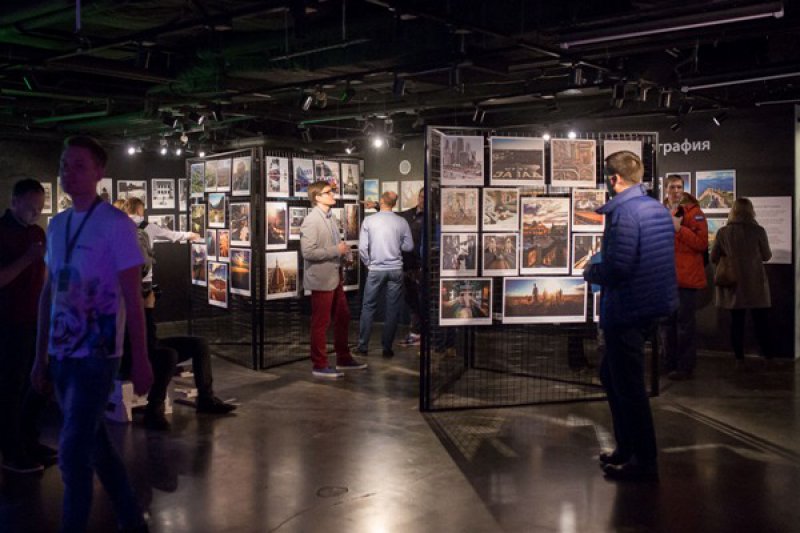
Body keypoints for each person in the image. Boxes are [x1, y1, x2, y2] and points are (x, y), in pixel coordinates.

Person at [31, 136, 153, 532]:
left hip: (98, 355)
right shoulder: (57, 225)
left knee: (72, 452)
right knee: (94, 444)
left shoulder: (116, 225)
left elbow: (133, 297)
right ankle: (132, 518)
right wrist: (40, 355)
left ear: (99, 172)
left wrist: (142, 359)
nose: (69, 172)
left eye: (79, 165)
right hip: (62, 353)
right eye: (65, 165)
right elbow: (49, 293)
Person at [583, 150, 677, 482]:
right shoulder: (656, 209)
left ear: (614, 179)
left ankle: (643, 461)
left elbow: (619, 267)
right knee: (612, 376)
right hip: (650, 305)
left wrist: (591, 271)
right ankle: (627, 448)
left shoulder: (624, 213)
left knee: (629, 387)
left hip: (628, 310)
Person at [120, 197, 233, 430]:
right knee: (168, 355)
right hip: (131, 353)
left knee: (199, 343)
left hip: (147, 343)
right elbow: (137, 340)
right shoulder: (119, 292)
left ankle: (206, 399)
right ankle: (154, 410)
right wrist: (148, 308)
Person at [0, 178, 57, 474]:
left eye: (40, 207)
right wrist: (27, 258)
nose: (37, 212)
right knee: (11, 388)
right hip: (9, 323)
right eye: (32, 206)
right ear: (15, 201)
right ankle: (11, 452)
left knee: (35, 383)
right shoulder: (2, 232)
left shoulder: (36, 233)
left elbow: (44, 275)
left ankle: (28, 441)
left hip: (35, 320)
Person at [300, 181, 367, 378]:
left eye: (332, 192)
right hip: (321, 279)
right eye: (328, 192)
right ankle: (319, 364)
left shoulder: (330, 218)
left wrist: (343, 254)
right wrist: (336, 250)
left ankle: (343, 358)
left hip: (334, 276)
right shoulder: (312, 220)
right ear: (317, 197)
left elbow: (334, 245)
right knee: (321, 322)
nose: (332, 195)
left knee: (343, 316)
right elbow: (308, 252)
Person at [711, 198, 772, 364]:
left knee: (737, 322)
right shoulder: (758, 230)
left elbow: (714, 256)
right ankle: (767, 355)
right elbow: (767, 256)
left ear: (733, 211)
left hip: (734, 283)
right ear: (751, 211)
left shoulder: (723, 232)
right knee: (761, 322)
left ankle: (739, 357)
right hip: (755, 282)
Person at [659, 177, 708, 380]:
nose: (676, 190)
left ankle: (685, 366)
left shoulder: (695, 213)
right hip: (665, 278)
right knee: (666, 324)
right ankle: (668, 363)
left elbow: (702, 243)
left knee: (684, 325)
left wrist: (680, 229)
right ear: (666, 189)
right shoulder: (660, 211)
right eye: (672, 187)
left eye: (680, 187)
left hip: (687, 279)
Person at [357, 191, 414, 357]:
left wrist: (368, 263)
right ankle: (387, 348)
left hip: (375, 270)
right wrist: (396, 244)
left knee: (368, 307)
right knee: (392, 309)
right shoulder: (401, 221)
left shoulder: (369, 220)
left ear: (381, 201)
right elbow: (409, 246)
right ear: (394, 204)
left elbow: (362, 248)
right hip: (396, 270)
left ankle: (363, 346)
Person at [399, 188, 424, 346]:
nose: (423, 200)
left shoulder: (433, 217)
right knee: (412, 300)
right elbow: (392, 215)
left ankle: (419, 333)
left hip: (424, 266)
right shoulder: (408, 215)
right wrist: (376, 206)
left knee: (421, 301)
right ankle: (415, 333)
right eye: (421, 196)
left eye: (426, 197)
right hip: (408, 266)